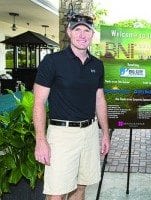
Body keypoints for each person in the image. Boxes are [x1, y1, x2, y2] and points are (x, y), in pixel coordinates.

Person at [33, 14, 110, 200]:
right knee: (56, 192)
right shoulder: (52, 62)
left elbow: (100, 99)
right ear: (69, 32)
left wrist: (105, 133)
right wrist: (41, 140)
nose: (82, 35)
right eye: (77, 30)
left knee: (81, 186)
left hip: (90, 132)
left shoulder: (97, 65)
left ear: (92, 35)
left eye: (87, 31)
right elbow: (38, 103)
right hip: (61, 135)